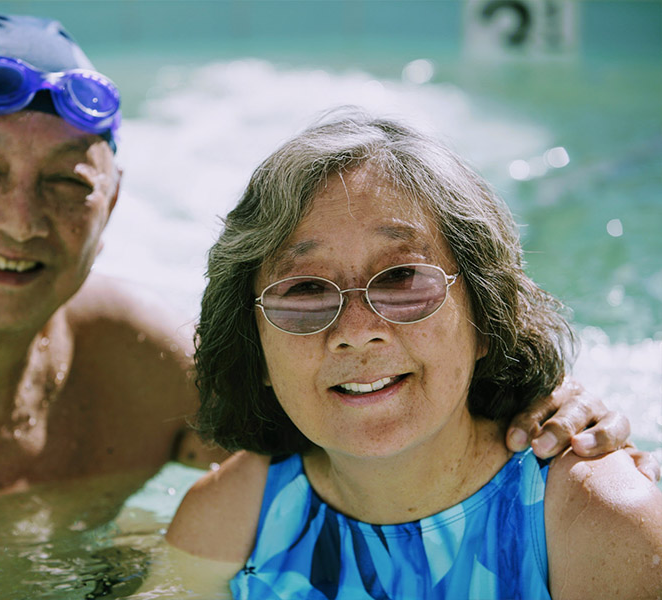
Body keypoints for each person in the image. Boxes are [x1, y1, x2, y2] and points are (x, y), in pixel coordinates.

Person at [0, 15, 650, 520]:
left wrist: (548, 411)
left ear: (111, 206)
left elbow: (370, 441)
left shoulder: (143, 367)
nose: (22, 217)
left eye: (68, 183)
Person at [163, 110, 662, 599]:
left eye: (403, 278)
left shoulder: (598, 522)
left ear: (485, 319)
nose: (356, 332)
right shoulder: (228, 520)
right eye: (306, 290)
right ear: (256, 351)